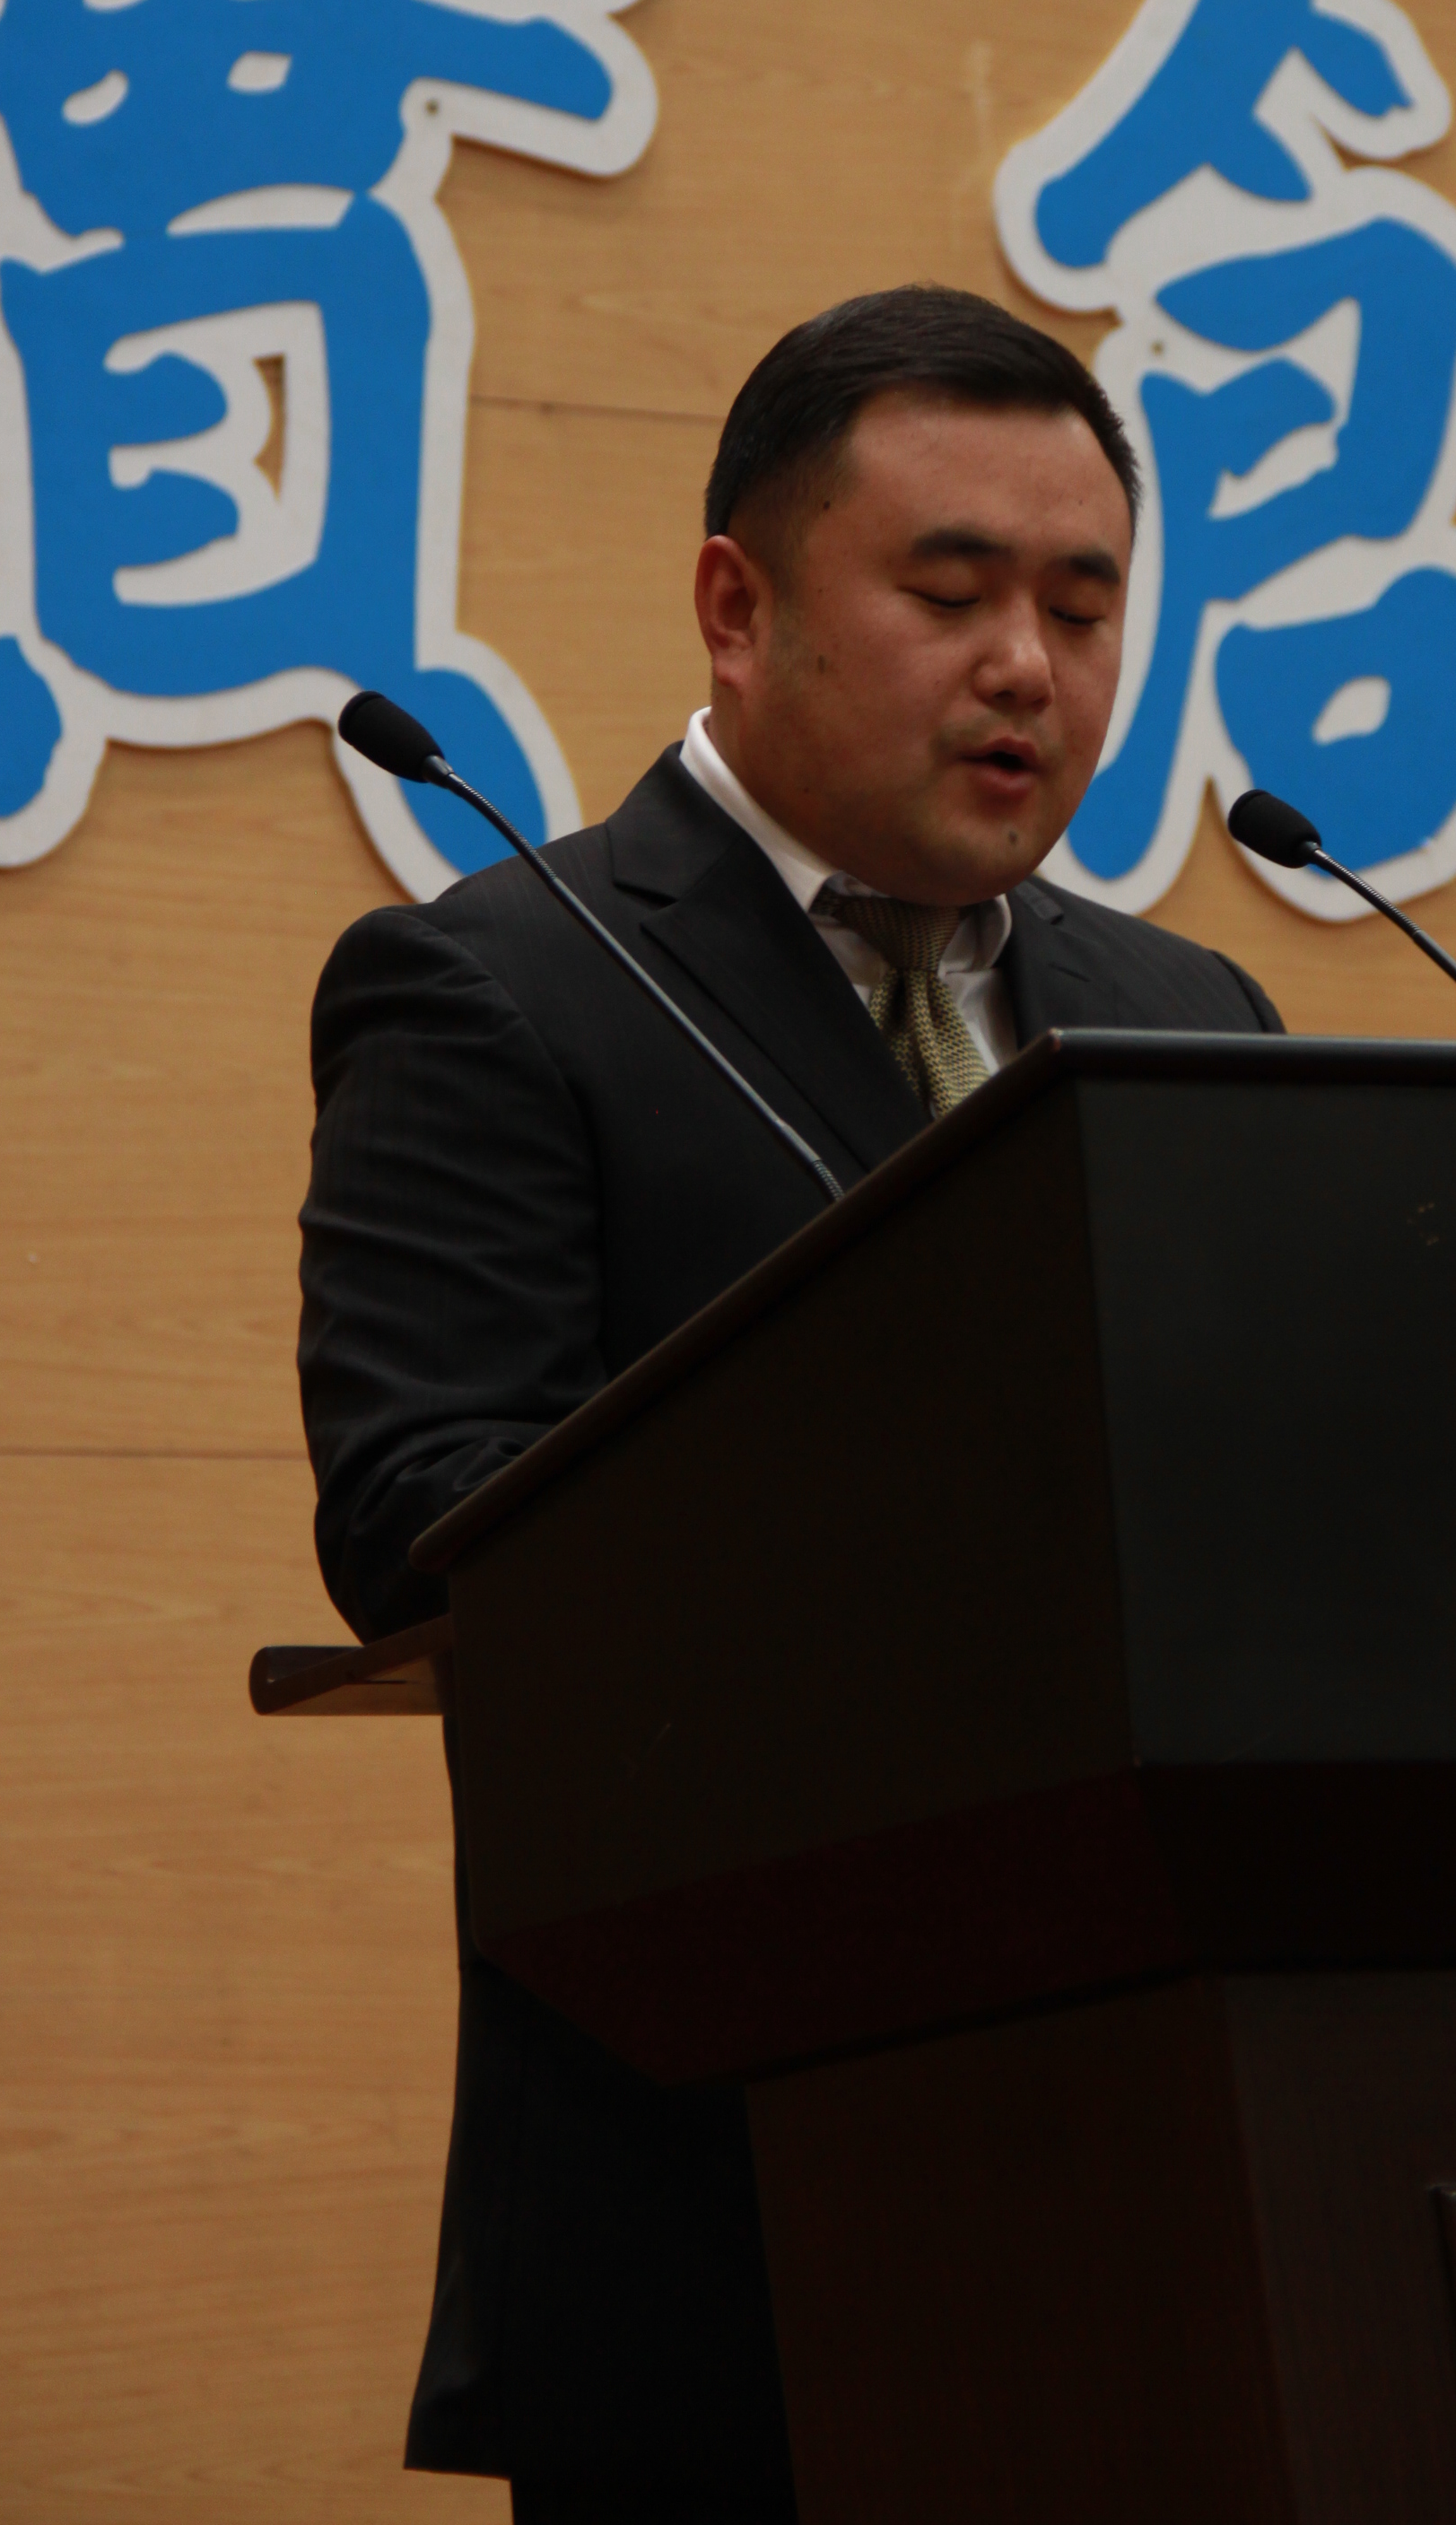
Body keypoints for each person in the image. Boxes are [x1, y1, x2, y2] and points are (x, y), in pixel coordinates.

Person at [297, 283, 1284, 2521]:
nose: (1028, 666)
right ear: (739, 608)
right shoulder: (499, 986)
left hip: (1183, 2168)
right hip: (723, 2191)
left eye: (1083, 608)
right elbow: (421, 1506)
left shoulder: (1192, 1011)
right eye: (952, 593)